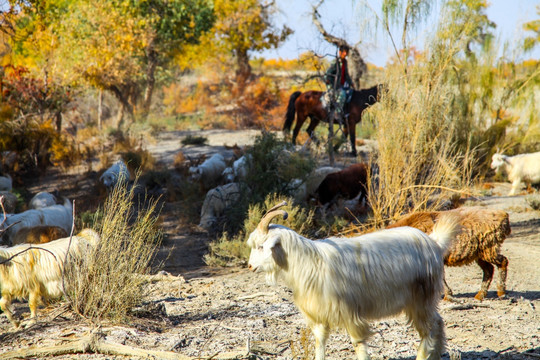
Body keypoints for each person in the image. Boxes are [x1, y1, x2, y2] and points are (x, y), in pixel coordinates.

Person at [324, 44, 354, 118]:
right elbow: (328, 73)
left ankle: (346, 111)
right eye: (344, 52)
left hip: (342, 85)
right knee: (342, 94)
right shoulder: (335, 62)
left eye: (346, 52)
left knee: (351, 93)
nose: (345, 54)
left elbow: (346, 75)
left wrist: (351, 83)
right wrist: (328, 81)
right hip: (334, 85)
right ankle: (337, 113)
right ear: (340, 52)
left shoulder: (345, 62)